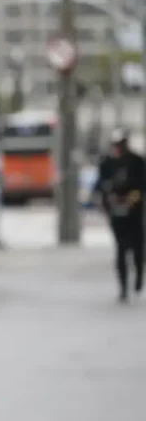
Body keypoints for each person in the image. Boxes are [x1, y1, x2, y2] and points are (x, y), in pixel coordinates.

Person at [94, 128, 146, 303]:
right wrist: (106, 201)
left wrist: (134, 197)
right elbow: (100, 185)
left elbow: (142, 185)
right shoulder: (107, 163)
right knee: (121, 248)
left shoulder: (137, 161)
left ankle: (139, 275)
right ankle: (123, 286)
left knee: (138, 247)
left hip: (135, 211)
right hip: (117, 212)